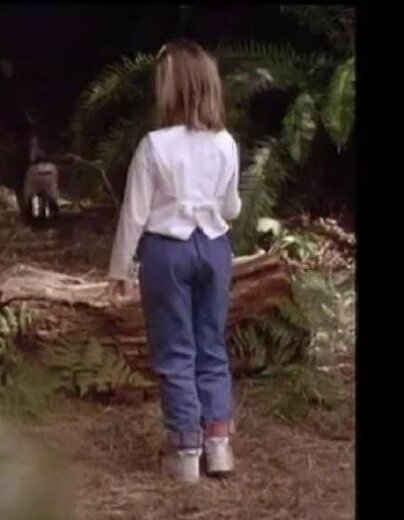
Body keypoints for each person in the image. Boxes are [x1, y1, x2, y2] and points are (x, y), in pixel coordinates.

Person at [105, 40, 242, 484]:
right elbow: (232, 207)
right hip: (215, 249)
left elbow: (135, 214)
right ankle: (219, 446)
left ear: (169, 89)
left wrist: (119, 270)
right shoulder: (226, 143)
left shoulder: (154, 145)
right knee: (211, 345)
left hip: (167, 251)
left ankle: (186, 451)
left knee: (175, 349)